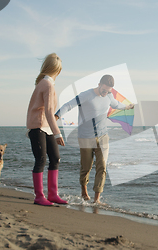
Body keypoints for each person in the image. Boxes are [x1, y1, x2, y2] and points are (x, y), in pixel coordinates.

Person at [55, 75, 134, 203]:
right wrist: (57, 116)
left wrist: (127, 106)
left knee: (102, 166)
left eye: (108, 91)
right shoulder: (86, 95)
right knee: (86, 167)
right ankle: (84, 190)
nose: (105, 93)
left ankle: (97, 198)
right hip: (85, 137)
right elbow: (69, 105)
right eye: (104, 90)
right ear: (99, 84)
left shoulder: (109, 96)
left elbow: (115, 104)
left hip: (103, 136)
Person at [26, 53, 68, 206]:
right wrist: (58, 133)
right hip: (38, 126)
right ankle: (39, 197)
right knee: (41, 160)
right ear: (57, 70)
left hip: (45, 127)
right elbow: (50, 111)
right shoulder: (47, 85)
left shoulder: (44, 83)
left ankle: (52, 194)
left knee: (55, 158)